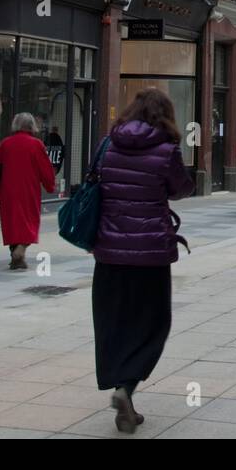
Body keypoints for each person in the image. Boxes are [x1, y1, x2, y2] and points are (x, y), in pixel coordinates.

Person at [93, 88, 194, 434]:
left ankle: (119, 385)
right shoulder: (167, 150)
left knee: (113, 322)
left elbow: (96, 184)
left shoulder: (108, 145)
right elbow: (182, 189)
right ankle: (126, 388)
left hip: (109, 252)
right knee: (152, 324)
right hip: (150, 254)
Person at [0, 112, 56, 270]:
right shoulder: (36, 144)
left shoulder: (5, 144)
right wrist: (50, 186)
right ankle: (21, 248)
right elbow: (46, 169)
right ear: (31, 126)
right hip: (28, 188)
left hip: (8, 189)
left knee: (11, 220)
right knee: (29, 220)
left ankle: (15, 254)